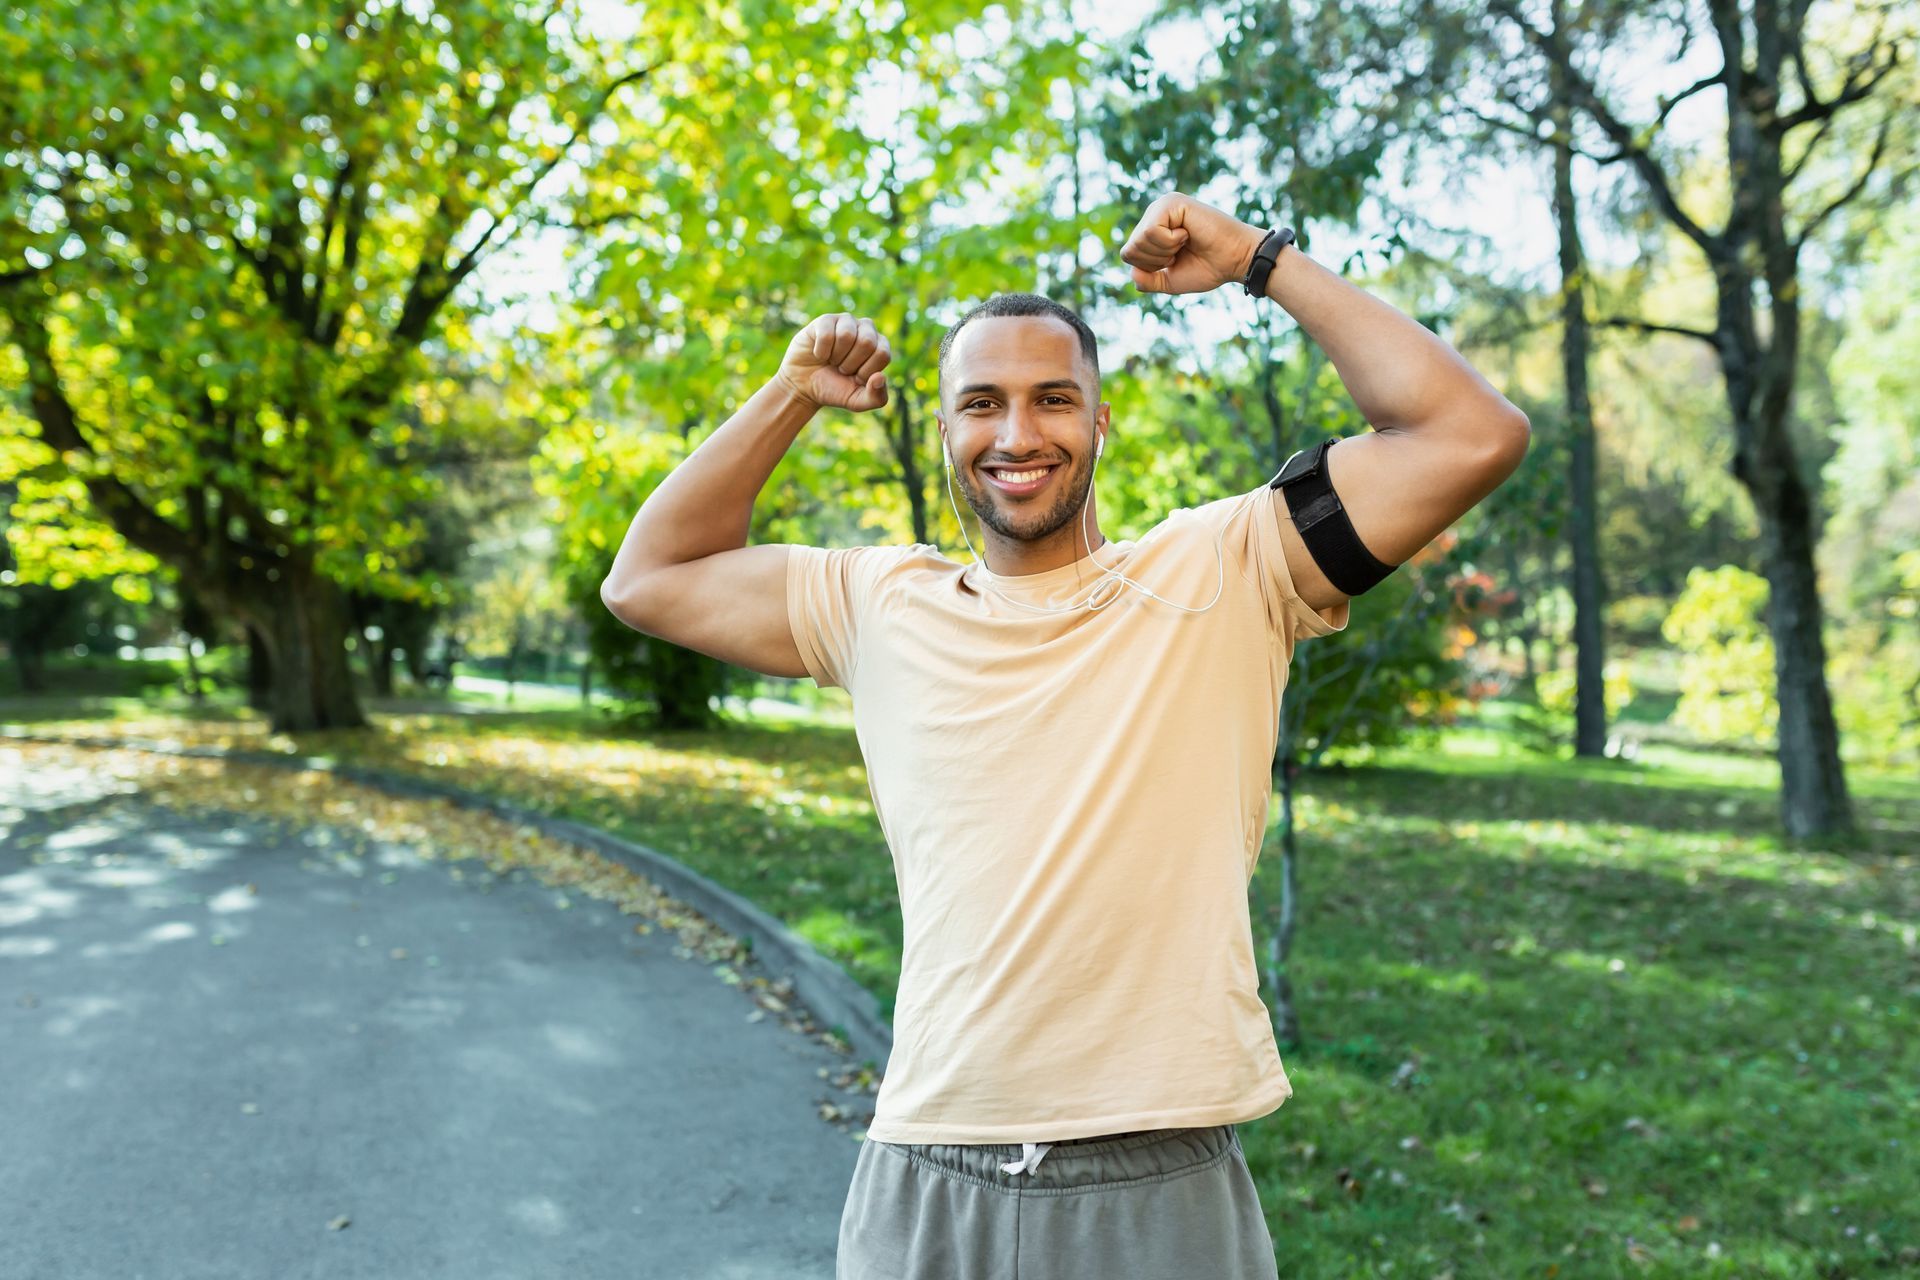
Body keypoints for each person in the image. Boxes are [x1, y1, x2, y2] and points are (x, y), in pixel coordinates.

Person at [599, 192, 1530, 1279]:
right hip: (926, 1178)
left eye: (1053, 399)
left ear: (1099, 423)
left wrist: (1256, 259)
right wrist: (790, 396)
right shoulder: (875, 602)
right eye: (980, 403)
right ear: (945, 429)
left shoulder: (1226, 567)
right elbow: (648, 578)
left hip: (1159, 1186)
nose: (1016, 432)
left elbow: (1470, 432)